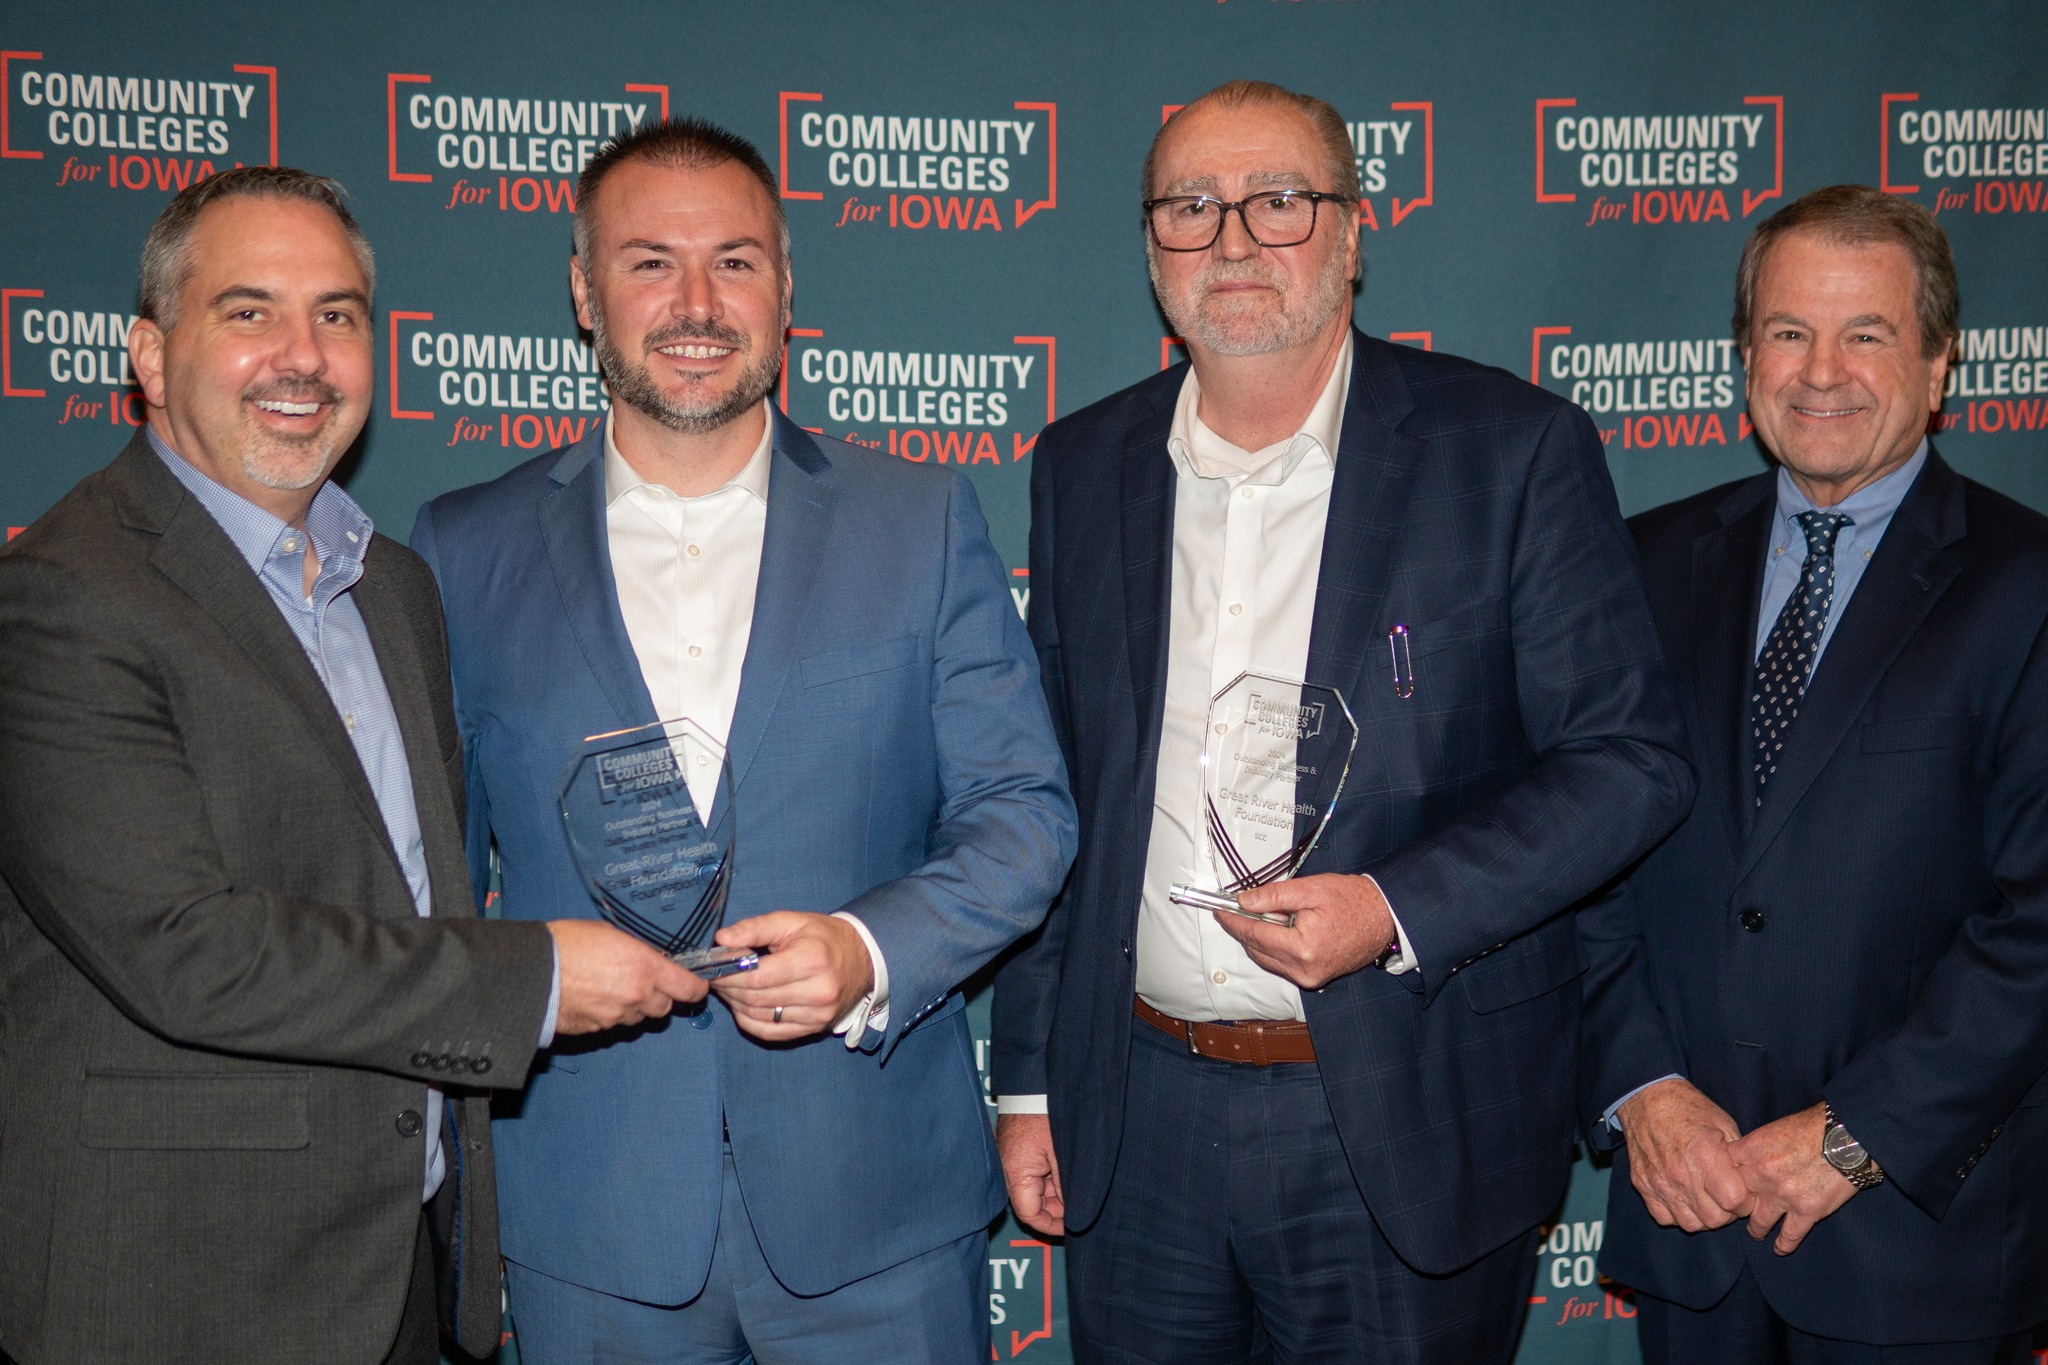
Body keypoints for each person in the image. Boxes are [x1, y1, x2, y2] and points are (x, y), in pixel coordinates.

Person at [989, 79, 1693, 1364]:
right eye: (1193, 208)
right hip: (1136, 1114)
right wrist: (1031, 1079)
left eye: (1280, 200)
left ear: (1353, 232)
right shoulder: (1081, 468)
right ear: (1152, 246)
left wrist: (1396, 910)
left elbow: (1628, 764)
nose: (1237, 240)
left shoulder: (1508, 451)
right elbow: (1059, 795)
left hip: (1402, 1110)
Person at [0, 166, 705, 1365]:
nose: (303, 355)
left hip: (400, 1272)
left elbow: (403, 896)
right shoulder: (64, 600)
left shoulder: (390, 588)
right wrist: (529, 979)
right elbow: (186, 952)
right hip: (183, 1289)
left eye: (337, 315)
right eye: (248, 311)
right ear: (150, 357)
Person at [410, 117, 1075, 1363]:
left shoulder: (919, 519)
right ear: (583, 293)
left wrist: (870, 948)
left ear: (785, 289)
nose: (696, 302)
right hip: (586, 1210)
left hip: (874, 1205)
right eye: (650, 261)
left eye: (736, 260)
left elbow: (1024, 814)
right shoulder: (461, 547)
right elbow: (429, 880)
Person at [1580, 184, 2048, 1364]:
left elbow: (2038, 924)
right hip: (1691, 1217)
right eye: (1786, 332)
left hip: (1911, 1241)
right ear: (1744, 358)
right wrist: (1641, 1089)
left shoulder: (2026, 586)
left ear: (1941, 365)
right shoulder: (1639, 564)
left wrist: (1855, 1135)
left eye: (1866, 334)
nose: (1818, 371)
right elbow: (1578, 864)